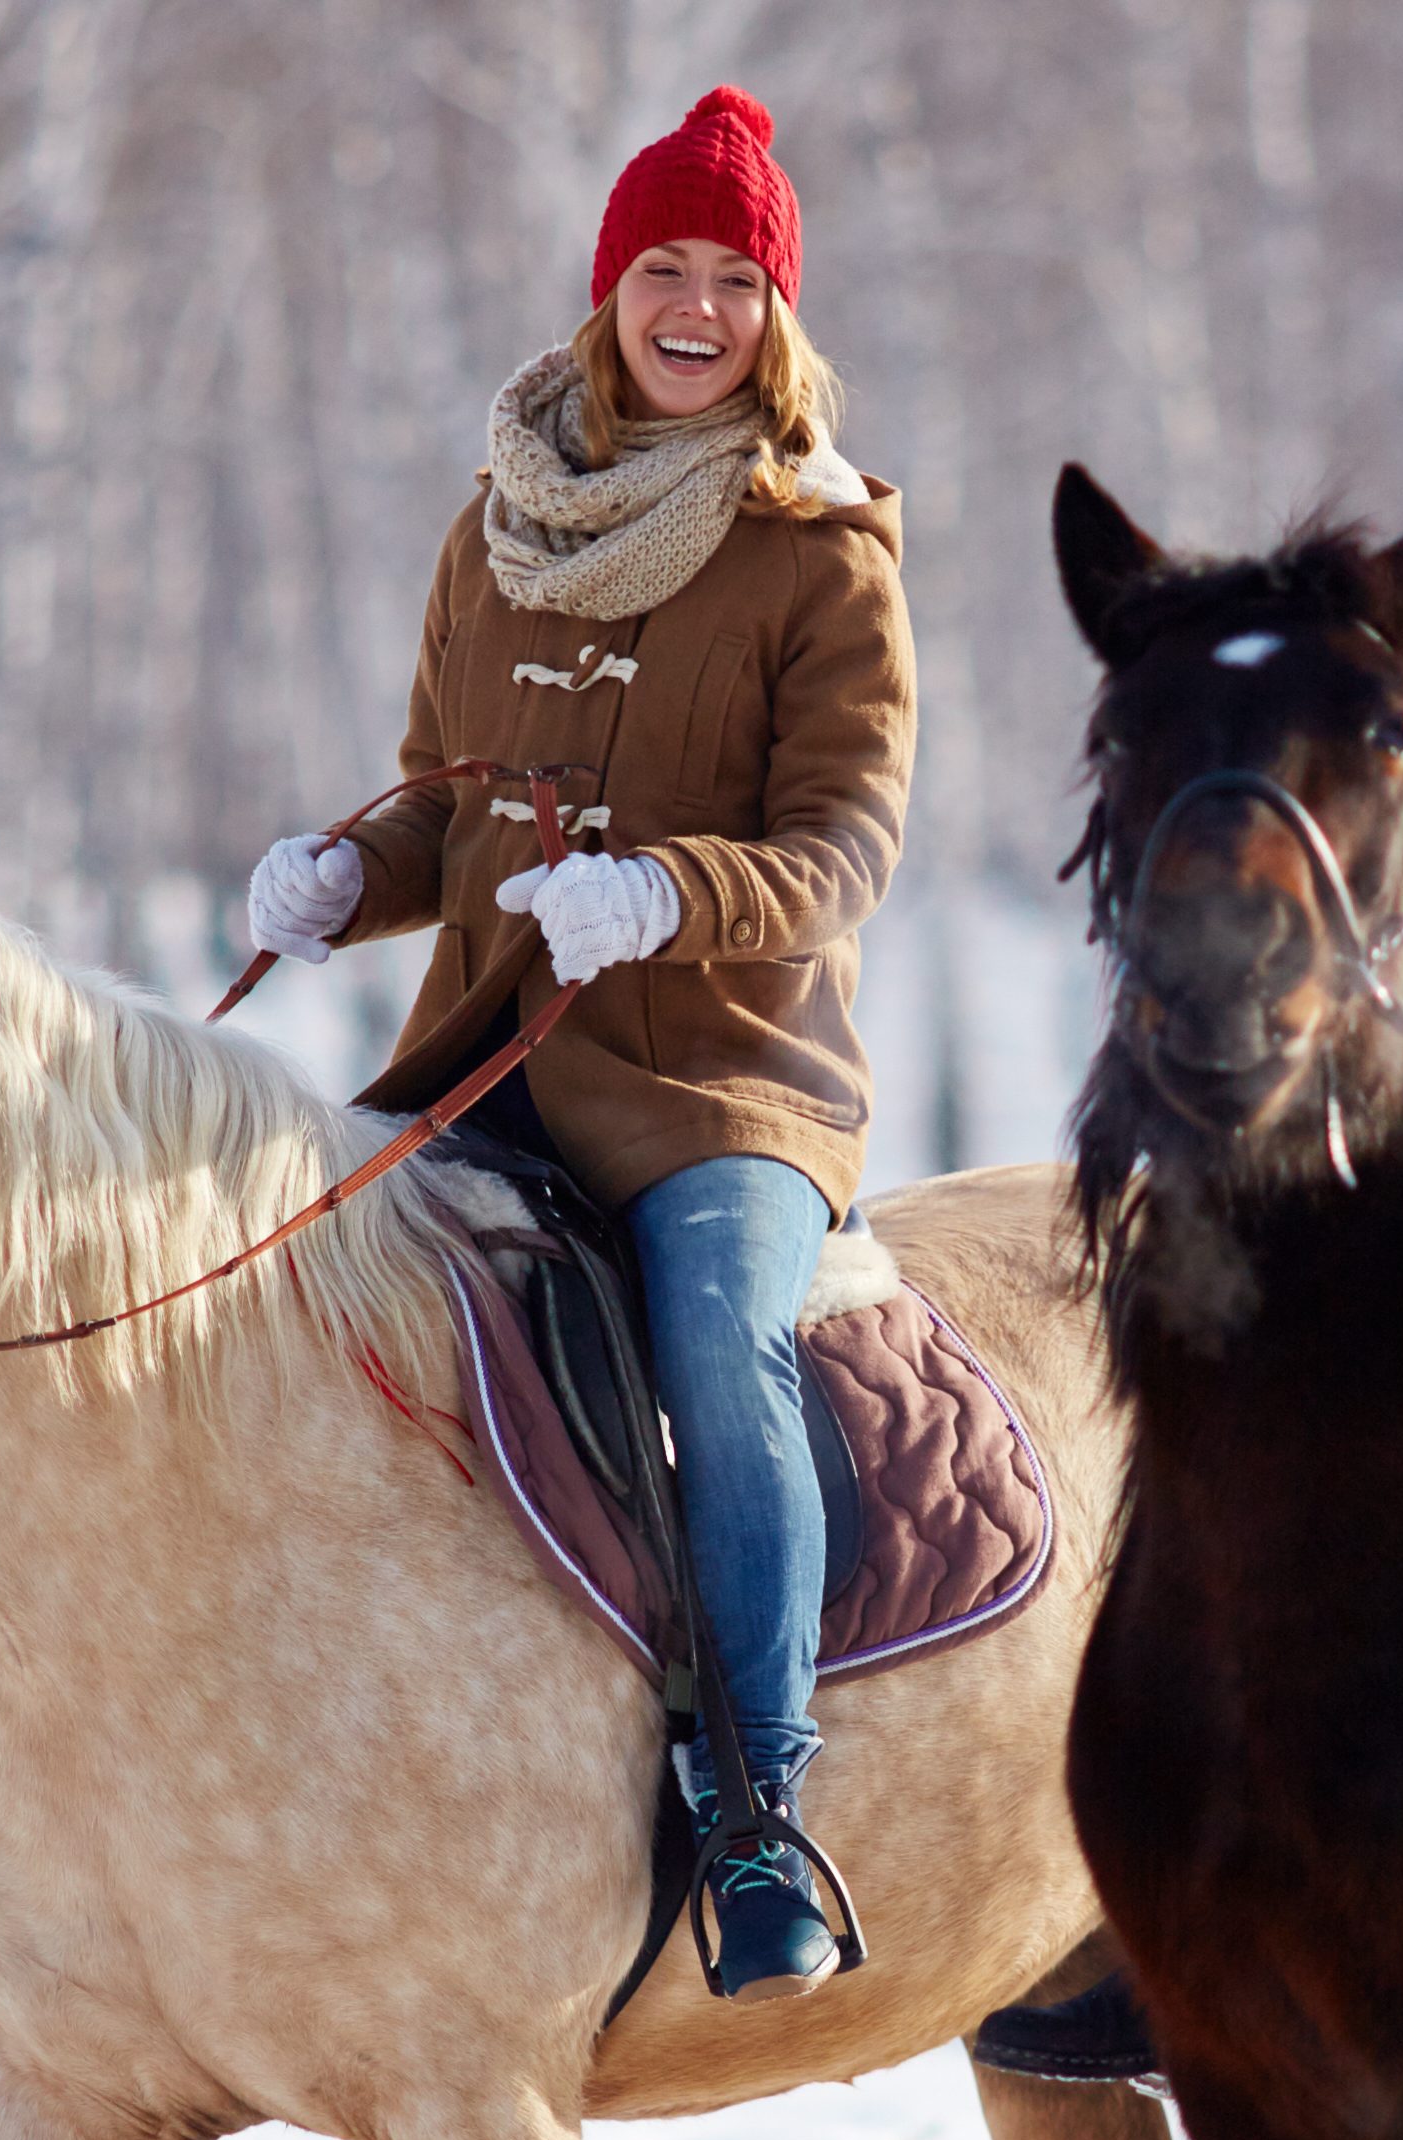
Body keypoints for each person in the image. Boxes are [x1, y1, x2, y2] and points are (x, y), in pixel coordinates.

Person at [243, 87, 913, 2000]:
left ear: (774, 312)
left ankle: (760, 1804)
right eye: (660, 272)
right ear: (607, 290)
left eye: (730, 279)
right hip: (489, 1060)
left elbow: (848, 845)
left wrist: (675, 896)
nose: (693, 309)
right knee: (287, 1307)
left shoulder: (823, 552)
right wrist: (336, 874)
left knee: (719, 1336)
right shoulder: (503, 525)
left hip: (722, 1084)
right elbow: (438, 807)